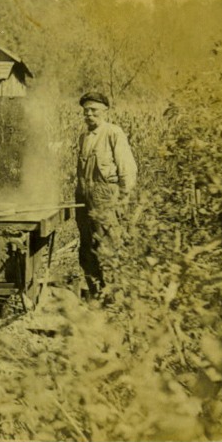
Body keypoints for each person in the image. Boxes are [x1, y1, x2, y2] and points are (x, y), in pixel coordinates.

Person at [74, 92, 137, 301]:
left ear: (105, 112)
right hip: (84, 198)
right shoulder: (84, 137)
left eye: (94, 110)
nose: (90, 114)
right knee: (87, 247)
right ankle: (96, 293)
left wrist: (123, 199)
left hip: (106, 197)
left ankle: (116, 296)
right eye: (86, 111)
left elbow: (126, 168)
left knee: (108, 245)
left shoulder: (113, 133)